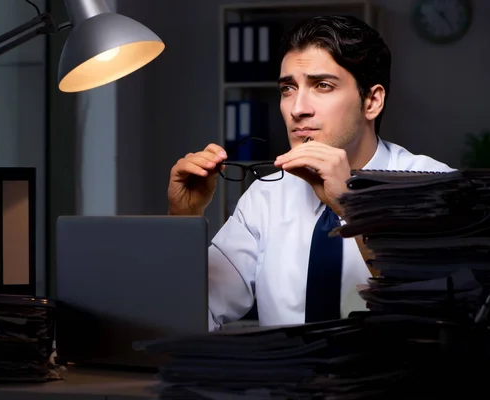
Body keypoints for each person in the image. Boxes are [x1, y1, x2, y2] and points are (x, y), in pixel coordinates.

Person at [167, 15, 454, 331]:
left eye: (322, 85)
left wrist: (352, 207)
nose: (297, 108)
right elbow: (191, 314)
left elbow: (445, 316)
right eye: (288, 88)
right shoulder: (266, 196)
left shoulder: (436, 186)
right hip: (284, 379)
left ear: (372, 101)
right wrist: (184, 220)